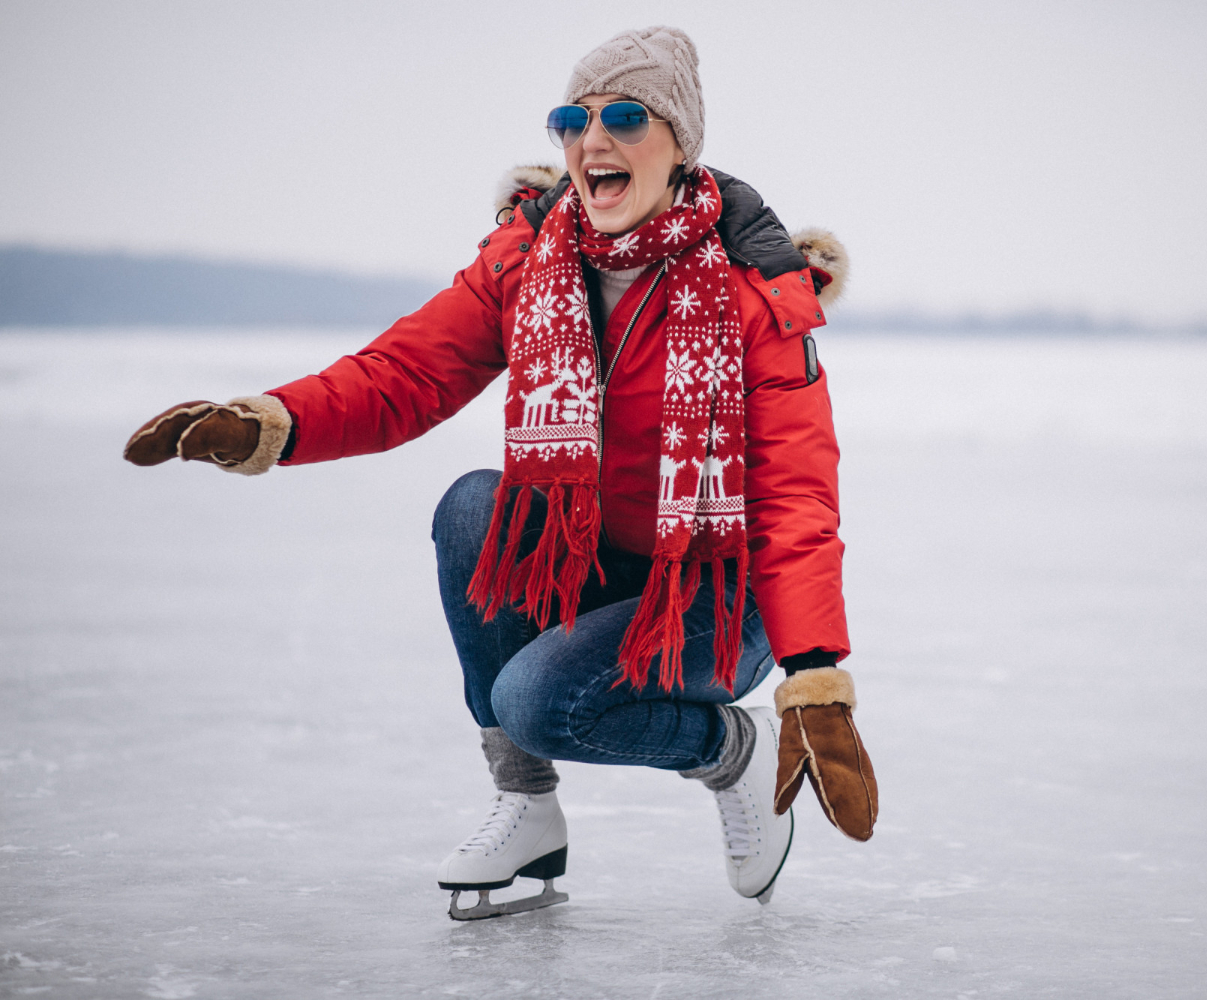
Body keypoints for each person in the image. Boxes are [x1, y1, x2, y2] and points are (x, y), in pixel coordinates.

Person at [122, 25, 877, 919]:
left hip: (715, 593)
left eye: (626, 117)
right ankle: (526, 805)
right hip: (597, 568)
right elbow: (406, 372)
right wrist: (268, 425)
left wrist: (815, 678)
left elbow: (796, 494)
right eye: (573, 118)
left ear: (680, 143)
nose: (593, 141)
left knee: (538, 699)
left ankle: (731, 752)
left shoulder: (753, 292)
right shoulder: (529, 259)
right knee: (474, 508)